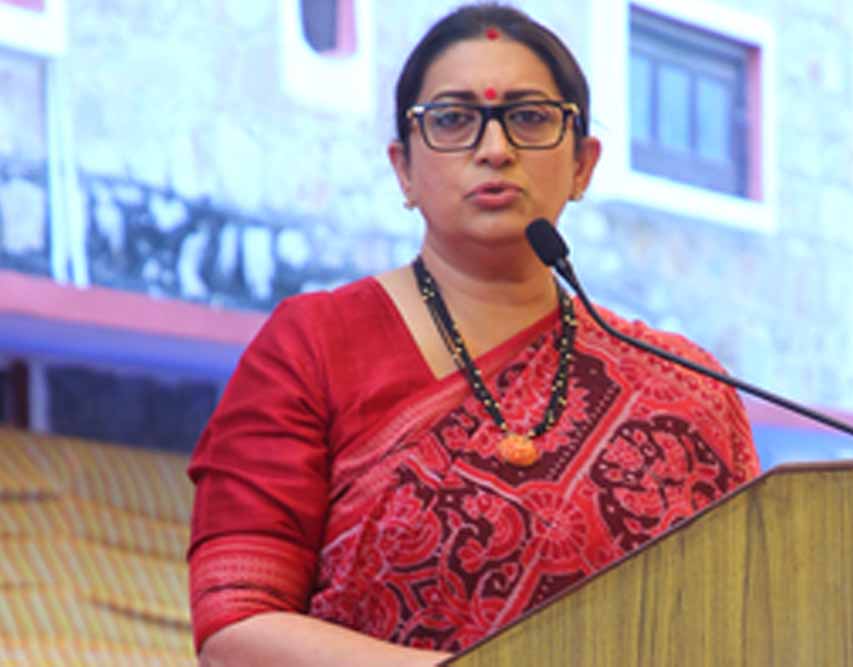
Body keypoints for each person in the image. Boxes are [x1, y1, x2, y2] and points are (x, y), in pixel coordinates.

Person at [187, 4, 760, 666]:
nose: (495, 149)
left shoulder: (687, 392)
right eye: (453, 119)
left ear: (583, 164)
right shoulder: (313, 346)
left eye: (530, 117)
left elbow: (750, 624)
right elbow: (237, 625)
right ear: (404, 169)